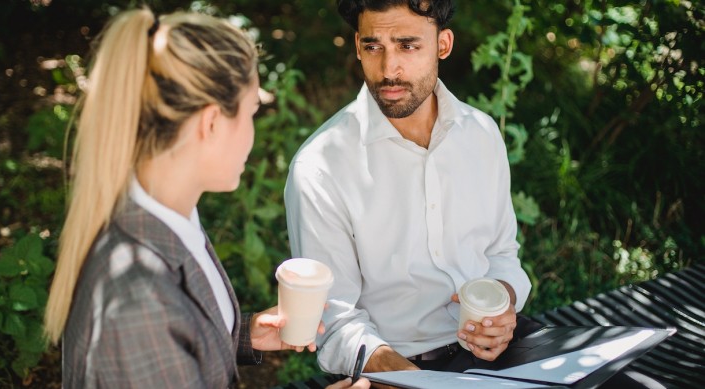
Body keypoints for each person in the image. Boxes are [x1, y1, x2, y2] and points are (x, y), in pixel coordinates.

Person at [42, 7, 369, 389]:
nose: (253, 134)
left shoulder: (169, 219)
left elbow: (175, 344)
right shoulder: (137, 297)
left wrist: (239, 334)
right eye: (251, 114)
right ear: (211, 122)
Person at [284, 0, 534, 377]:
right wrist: (417, 384)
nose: (389, 70)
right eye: (373, 47)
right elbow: (335, 323)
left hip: (501, 352)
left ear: (443, 45)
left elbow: (501, 253)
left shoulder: (482, 134)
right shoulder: (320, 168)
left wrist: (503, 304)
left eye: (408, 45)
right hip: (396, 369)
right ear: (357, 46)